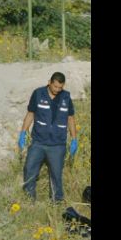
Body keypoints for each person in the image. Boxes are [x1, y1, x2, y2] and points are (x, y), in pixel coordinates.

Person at [18, 72, 77, 202]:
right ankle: (29, 199)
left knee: (56, 175)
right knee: (30, 170)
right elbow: (30, 114)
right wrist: (23, 132)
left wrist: (74, 139)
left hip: (57, 144)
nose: (57, 90)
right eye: (55, 86)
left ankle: (57, 202)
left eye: (60, 88)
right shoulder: (38, 93)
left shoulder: (66, 97)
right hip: (38, 142)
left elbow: (70, 118)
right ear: (49, 82)